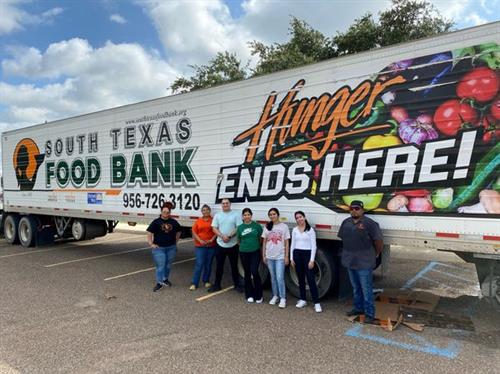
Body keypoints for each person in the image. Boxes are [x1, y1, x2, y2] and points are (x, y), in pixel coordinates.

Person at [338, 200, 383, 324]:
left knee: (366, 289)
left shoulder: (370, 223)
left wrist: (375, 254)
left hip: (364, 261)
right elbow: (343, 238)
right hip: (350, 260)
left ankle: (369, 314)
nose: (354, 210)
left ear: (362, 210)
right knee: (356, 288)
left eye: (357, 208)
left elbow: (378, 241)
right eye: (352, 208)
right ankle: (358, 309)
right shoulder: (346, 223)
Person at [208, 198, 243, 293]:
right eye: (223, 203)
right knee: (219, 266)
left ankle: (237, 285)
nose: (225, 205)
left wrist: (230, 236)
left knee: (234, 266)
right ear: (221, 205)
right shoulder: (218, 215)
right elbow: (214, 228)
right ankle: (217, 285)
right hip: (220, 244)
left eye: (227, 203)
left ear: (230, 204)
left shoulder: (236, 215)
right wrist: (222, 236)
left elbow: (239, 227)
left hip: (233, 244)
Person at [290, 211, 322, 313]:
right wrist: (291, 258)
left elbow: (314, 246)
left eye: (301, 217)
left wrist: (312, 260)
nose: (299, 219)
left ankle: (316, 303)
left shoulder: (310, 230)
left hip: (307, 255)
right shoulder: (295, 230)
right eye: (297, 218)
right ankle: (303, 299)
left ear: (304, 217)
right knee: (300, 278)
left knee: (310, 279)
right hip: (297, 254)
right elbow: (292, 245)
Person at [147, 202, 181, 292]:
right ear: (161, 212)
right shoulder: (156, 222)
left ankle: (165, 279)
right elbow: (149, 233)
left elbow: (179, 231)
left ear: (170, 213)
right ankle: (159, 283)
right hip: (159, 249)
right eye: (164, 212)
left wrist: (175, 242)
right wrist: (151, 244)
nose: (165, 213)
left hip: (171, 248)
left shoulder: (173, 222)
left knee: (168, 266)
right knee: (161, 266)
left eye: (167, 212)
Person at [262, 208, 290, 309]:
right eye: (270, 214)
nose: (272, 216)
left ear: (278, 215)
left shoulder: (284, 227)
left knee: (279, 277)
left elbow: (287, 243)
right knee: (273, 277)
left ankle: (283, 298)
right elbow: (264, 242)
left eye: (274, 214)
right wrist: (264, 255)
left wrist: (286, 256)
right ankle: (275, 296)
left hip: (280, 256)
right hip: (269, 256)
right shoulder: (267, 227)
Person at [236, 208, 263, 303]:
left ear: (251, 215)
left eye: (248, 214)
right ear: (242, 217)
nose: (247, 216)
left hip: (255, 252)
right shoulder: (240, 227)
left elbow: (260, 238)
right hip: (244, 252)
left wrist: (254, 245)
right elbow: (238, 241)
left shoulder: (257, 226)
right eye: (245, 215)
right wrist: (245, 247)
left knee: (255, 271)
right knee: (247, 273)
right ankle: (249, 295)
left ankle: (258, 295)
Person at [190, 204, 217, 290]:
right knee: (199, 264)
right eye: (204, 210)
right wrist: (200, 240)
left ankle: (206, 281)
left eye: (207, 210)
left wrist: (212, 240)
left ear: (209, 211)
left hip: (211, 245)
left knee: (208, 264)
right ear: (202, 211)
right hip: (200, 246)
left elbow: (216, 231)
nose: (205, 211)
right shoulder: (198, 221)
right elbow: (194, 231)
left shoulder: (213, 220)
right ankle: (194, 283)